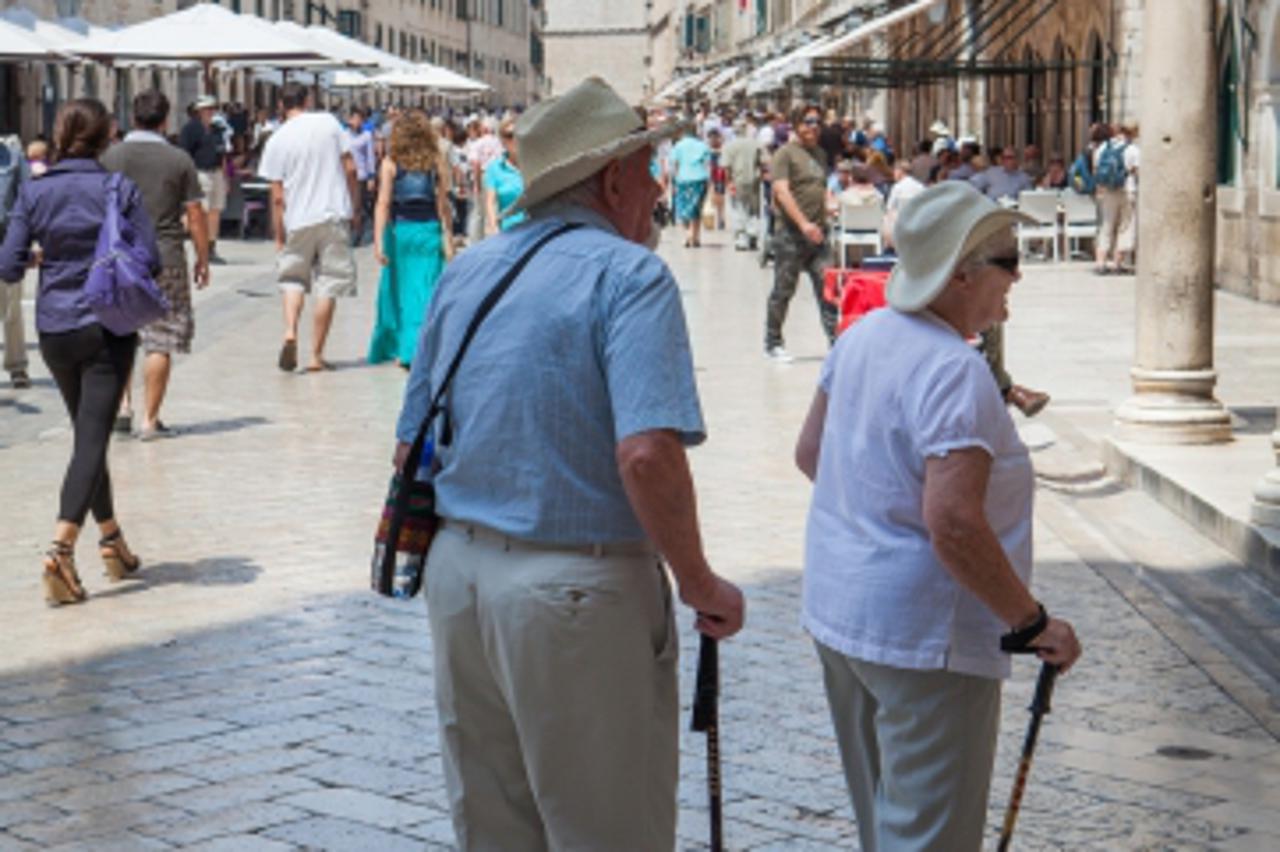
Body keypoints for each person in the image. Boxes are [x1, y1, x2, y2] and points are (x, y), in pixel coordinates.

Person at [393, 76, 743, 851]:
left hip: (461, 580)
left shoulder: (469, 270)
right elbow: (647, 453)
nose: (657, 189)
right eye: (647, 170)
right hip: (575, 593)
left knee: (495, 826)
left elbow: (409, 441)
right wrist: (698, 581)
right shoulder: (631, 275)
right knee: (609, 829)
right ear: (612, 178)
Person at [794, 181, 1081, 851]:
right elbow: (952, 522)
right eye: (1007, 260)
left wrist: (875, 519)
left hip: (842, 614)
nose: (1018, 275)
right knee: (929, 837)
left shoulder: (863, 337)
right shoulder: (955, 369)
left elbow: (813, 454)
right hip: (926, 639)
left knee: (883, 825)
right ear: (960, 273)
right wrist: (1032, 622)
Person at [0, 98, 161, 605]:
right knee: (91, 441)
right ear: (107, 135)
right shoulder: (118, 188)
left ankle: (112, 540)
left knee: (86, 437)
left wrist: (50, 254)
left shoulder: (35, 189)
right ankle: (61, 549)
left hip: (53, 329)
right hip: (105, 326)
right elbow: (151, 260)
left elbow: (8, 264)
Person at [101, 89, 210, 441]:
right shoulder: (179, 160)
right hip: (166, 257)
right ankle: (150, 420)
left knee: (121, 334)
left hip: (119, 258)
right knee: (159, 340)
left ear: (133, 117)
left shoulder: (111, 156)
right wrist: (203, 258)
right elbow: (195, 213)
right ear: (165, 120)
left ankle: (122, 408)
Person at [258, 82, 360, 373]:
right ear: (308, 99)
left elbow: (277, 196)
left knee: (292, 279)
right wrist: (353, 204)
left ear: (281, 105)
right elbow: (350, 168)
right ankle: (316, 355)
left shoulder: (276, 139)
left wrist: (279, 233)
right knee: (329, 282)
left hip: (297, 218)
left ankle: (290, 331)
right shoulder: (328, 123)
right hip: (332, 213)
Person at [368, 110, 453, 368]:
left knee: (400, 291)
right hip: (428, 232)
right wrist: (447, 237)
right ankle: (424, 346)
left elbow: (383, 204)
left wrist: (378, 240)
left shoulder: (390, 163)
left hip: (401, 234)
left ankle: (406, 349)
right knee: (426, 289)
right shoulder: (436, 162)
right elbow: (443, 206)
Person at [765, 103, 835, 361]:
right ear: (796, 125)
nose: (814, 127)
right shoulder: (785, 154)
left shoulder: (820, 154)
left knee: (827, 288)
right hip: (791, 235)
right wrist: (804, 223)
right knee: (784, 290)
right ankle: (773, 342)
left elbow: (820, 187)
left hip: (819, 235)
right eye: (808, 121)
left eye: (818, 122)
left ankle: (835, 341)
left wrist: (829, 205)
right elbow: (781, 192)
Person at [178, 95, 228, 265]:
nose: (210, 112)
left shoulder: (217, 129)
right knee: (202, 211)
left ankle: (212, 247)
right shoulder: (190, 129)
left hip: (216, 172)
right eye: (207, 109)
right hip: (200, 172)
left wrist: (225, 176)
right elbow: (185, 154)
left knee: (215, 210)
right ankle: (201, 247)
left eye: (212, 108)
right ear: (198, 111)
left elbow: (222, 154)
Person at [0, 131, 29, 389]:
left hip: (5, 241)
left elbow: (26, 197)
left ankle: (17, 366)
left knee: (11, 309)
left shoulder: (12, 157)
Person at [721, 116, 764, 251]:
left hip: (737, 180)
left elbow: (726, 167)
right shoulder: (755, 143)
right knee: (753, 208)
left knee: (738, 207)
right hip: (754, 180)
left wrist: (728, 182)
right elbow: (762, 162)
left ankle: (741, 238)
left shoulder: (729, 146)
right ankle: (753, 234)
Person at [482, 118, 526, 235]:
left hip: (534, 228)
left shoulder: (533, 163)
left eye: (518, 134)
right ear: (503, 141)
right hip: (509, 231)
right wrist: (494, 228)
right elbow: (490, 202)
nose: (515, 139)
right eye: (510, 135)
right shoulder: (494, 169)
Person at [346, 107, 377, 246]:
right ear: (349, 119)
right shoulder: (344, 135)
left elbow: (370, 157)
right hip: (347, 175)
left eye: (360, 119)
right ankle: (352, 230)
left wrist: (371, 176)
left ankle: (357, 233)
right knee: (348, 204)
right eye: (355, 118)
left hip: (361, 175)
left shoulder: (366, 136)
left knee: (357, 204)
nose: (357, 121)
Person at [882, 158, 926, 251]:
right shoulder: (920, 186)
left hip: (900, 223)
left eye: (894, 170)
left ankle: (889, 247)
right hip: (918, 221)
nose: (893, 173)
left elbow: (889, 208)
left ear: (900, 171)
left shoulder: (897, 187)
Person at [969, 146, 1033, 202]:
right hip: (991, 209)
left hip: (1011, 211)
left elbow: (1029, 198)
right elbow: (973, 184)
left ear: (1017, 159)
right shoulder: (992, 172)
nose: (1006, 160)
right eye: (1003, 157)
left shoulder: (1024, 178)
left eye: (1009, 157)